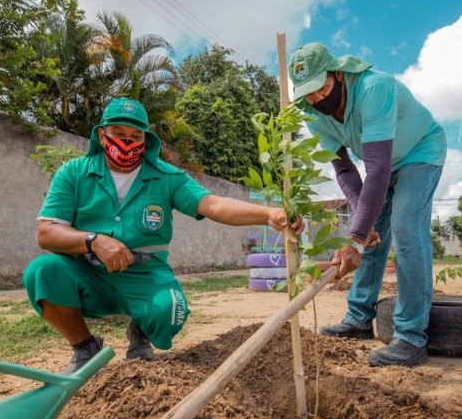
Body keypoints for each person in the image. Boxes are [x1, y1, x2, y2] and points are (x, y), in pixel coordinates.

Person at [23, 97, 302, 374]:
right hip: (86, 272)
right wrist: (93, 241)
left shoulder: (167, 177)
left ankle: (140, 330)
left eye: (135, 135)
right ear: (101, 134)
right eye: (118, 133)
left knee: (171, 311)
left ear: (146, 139)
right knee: (42, 271)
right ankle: (85, 347)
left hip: (145, 273)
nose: (127, 142)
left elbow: (213, 205)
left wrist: (268, 214)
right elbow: (47, 233)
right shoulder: (73, 173)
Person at [288, 42, 446, 367]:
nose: (317, 99)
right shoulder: (312, 115)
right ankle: (359, 318)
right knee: (371, 236)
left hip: (419, 152)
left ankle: (412, 338)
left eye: (322, 88)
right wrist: (364, 228)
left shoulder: (374, 87)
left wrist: (355, 237)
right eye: (308, 94)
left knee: (406, 230)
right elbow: (344, 168)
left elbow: (376, 167)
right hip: (383, 167)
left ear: (338, 74)